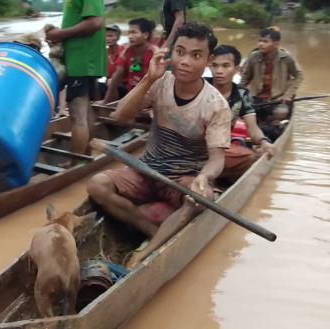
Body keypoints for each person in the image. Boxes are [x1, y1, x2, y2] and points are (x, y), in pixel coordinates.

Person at [87, 22, 231, 269]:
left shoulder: (216, 105)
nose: (185, 61)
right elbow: (120, 116)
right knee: (96, 184)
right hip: (146, 170)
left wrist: (204, 177)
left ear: (208, 61)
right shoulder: (159, 82)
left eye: (196, 55)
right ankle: (153, 231)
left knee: (203, 197)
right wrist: (147, 79)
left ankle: (145, 253)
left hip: (182, 177)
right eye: (180, 52)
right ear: (171, 53)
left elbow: (217, 159)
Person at [46, 0, 105, 154]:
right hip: (80, 58)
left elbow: (97, 21)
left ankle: (76, 163)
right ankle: (84, 159)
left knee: (77, 112)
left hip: (83, 59)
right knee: (85, 110)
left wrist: (61, 34)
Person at [206, 45, 276, 177]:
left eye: (226, 66)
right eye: (214, 66)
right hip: (192, 147)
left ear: (237, 69)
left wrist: (263, 142)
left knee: (254, 158)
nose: (219, 71)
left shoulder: (242, 94)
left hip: (220, 149)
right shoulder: (199, 86)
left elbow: (252, 127)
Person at [240, 28, 304, 121]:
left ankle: (268, 122)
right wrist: (237, 93)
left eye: (265, 41)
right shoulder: (253, 56)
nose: (260, 44)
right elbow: (246, 77)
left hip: (277, 98)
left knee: (281, 113)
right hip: (256, 97)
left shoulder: (286, 58)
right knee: (240, 111)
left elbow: (299, 75)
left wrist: (288, 94)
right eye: (260, 40)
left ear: (276, 44)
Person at [100, 18, 157, 104]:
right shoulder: (127, 51)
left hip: (148, 96)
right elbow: (117, 75)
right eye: (129, 33)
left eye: (134, 32)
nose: (130, 36)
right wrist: (105, 101)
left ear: (145, 34)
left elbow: (157, 83)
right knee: (111, 83)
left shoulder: (154, 53)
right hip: (130, 93)